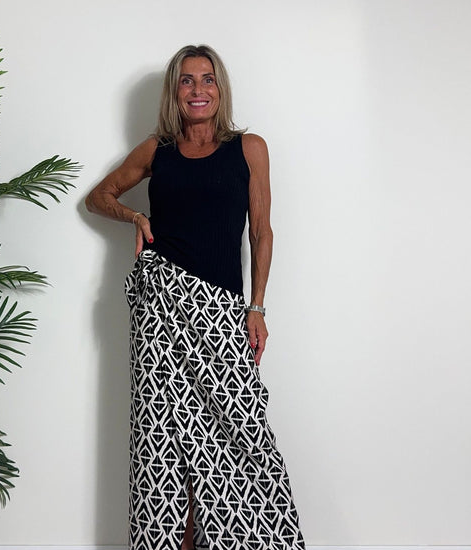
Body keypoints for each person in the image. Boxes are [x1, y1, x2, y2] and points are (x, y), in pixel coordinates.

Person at [86, 44, 306, 550]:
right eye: (187, 80)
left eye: (207, 79)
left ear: (220, 89)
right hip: (159, 313)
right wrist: (135, 217)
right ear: (175, 91)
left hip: (221, 313)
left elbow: (262, 232)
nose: (198, 89)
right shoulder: (156, 151)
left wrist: (257, 307)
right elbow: (98, 196)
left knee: (240, 436)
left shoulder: (248, 148)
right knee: (163, 444)